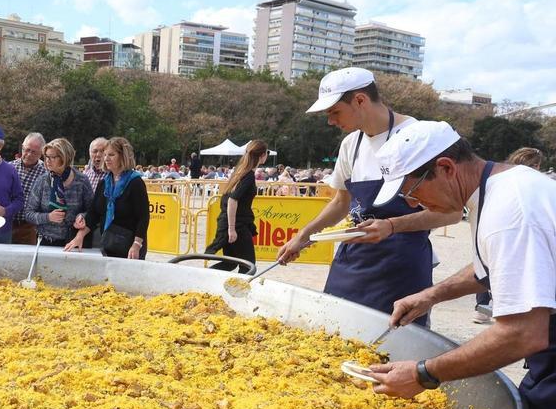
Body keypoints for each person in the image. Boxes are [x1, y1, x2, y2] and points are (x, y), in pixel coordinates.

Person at [363, 121, 556, 409]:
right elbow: (494, 269)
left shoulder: (511, 212)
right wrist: (431, 294)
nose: (414, 204)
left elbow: (524, 332)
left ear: (445, 168)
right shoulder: (507, 187)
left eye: (413, 193)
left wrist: (425, 374)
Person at [275, 68, 461, 327]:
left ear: (360, 100)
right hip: (354, 261)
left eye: (334, 112)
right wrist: (303, 235)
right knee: (329, 333)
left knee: (392, 349)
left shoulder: (418, 137)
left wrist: (392, 226)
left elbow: (452, 212)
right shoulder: (351, 144)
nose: (330, 121)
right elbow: (341, 202)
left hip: (401, 266)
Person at [473, 146, 548, 324]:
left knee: (487, 264)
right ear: (536, 165)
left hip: (489, 236)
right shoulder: (534, 185)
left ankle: (484, 306)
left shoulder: (498, 181)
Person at [65, 137, 149, 259]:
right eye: (105, 155)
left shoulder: (135, 182)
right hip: (108, 243)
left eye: (111, 155)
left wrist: (136, 245)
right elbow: (94, 214)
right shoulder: (104, 183)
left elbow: (143, 217)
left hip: (130, 246)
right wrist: (79, 236)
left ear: (123, 156)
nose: (106, 158)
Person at [204, 140, 267, 271]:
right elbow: (233, 200)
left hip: (231, 222)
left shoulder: (240, 171)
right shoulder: (248, 175)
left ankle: (204, 279)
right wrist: (232, 229)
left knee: (230, 263)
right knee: (248, 265)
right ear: (262, 155)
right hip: (237, 225)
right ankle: (205, 279)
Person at [24, 137, 93, 247]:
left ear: (65, 158)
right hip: (46, 241)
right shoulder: (42, 181)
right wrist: (48, 217)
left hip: (74, 241)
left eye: (52, 157)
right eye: (46, 156)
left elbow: (92, 211)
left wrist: (81, 217)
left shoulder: (82, 180)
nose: (47, 160)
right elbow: (28, 214)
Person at [10, 132, 46, 244]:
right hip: (6, 223)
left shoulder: (45, 173)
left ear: (41, 153)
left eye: (34, 152)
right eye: (27, 150)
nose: (29, 154)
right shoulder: (9, 167)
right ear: (22, 148)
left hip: (29, 227)